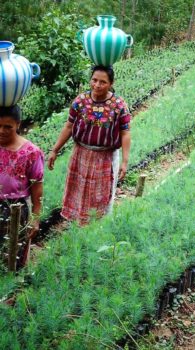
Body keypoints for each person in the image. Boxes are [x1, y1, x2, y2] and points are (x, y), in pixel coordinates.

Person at [48, 65, 131, 225]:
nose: (97, 85)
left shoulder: (119, 105)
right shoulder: (80, 101)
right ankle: (79, 227)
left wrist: (125, 161)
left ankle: (97, 229)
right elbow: (69, 126)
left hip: (105, 157)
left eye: (103, 82)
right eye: (94, 80)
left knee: (100, 196)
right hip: (81, 155)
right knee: (78, 192)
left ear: (111, 83)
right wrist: (55, 150)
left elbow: (125, 133)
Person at [0, 105, 44, 267]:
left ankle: (11, 287)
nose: (1, 131)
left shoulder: (31, 152)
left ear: (18, 124)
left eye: (7, 127)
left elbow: (37, 188)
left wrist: (35, 218)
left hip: (14, 209)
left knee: (12, 256)